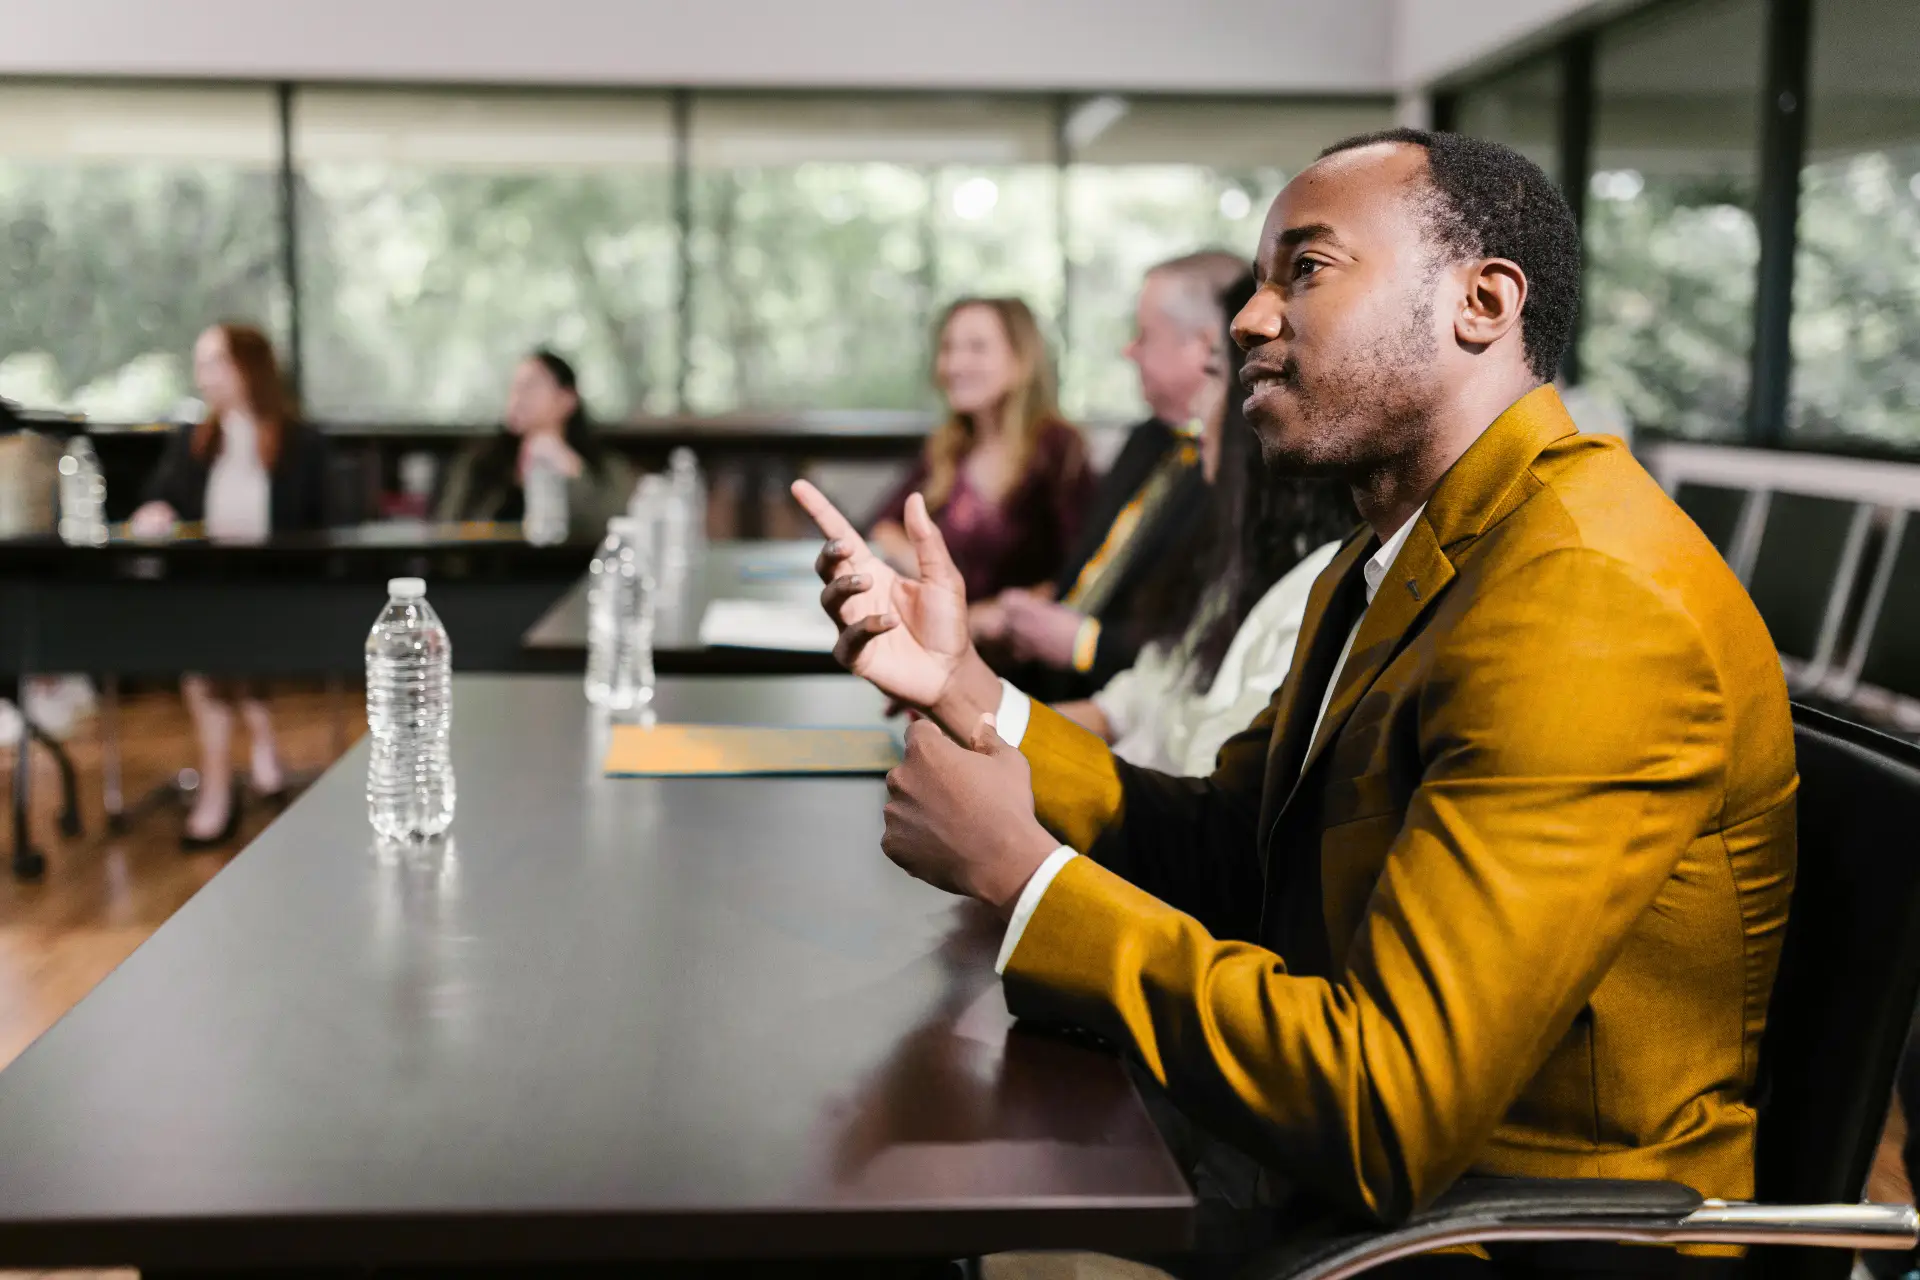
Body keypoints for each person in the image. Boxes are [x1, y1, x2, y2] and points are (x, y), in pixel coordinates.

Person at [796, 129, 1795, 1277]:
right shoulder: (1395, 556)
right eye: (1259, 281)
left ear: (1482, 300)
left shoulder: (1585, 596)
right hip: (1361, 1186)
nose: (1249, 319)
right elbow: (1236, 846)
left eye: (1304, 270)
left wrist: (1029, 877)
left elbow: (1390, 1104)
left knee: (921, 1191)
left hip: (1508, 1236)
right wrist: (966, 686)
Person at [1052, 271, 1355, 777]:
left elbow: (1201, 798)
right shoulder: (1234, 555)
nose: (1197, 409)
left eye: (1214, 376)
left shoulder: (1312, 590)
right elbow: (1128, 704)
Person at [975, 252, 1245, 698]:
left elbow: (1204, 645)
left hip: (1126, 711)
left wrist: (1083, 644)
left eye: (1143, 336)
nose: (1128, 350)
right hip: (1042, 680)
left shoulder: (1242, 474)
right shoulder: (1148, 438)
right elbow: (1085, 577)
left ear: (1204, 345)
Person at [130, 324, 335, 848]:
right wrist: (156, 511)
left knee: (217, 644)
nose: (205, 376)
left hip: (283, 595)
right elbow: (161, 500)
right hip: (211, 593)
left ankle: (229, 784)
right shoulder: (192, 443)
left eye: (215, 362)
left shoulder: (301, 442)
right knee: (209, 642)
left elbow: (328, 524)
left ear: (249, 367)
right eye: (200, 364)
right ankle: (228, 776)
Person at [868, 298, 1092, 602]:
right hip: (947, 631)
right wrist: (933, 577)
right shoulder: (950, 446)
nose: (953, 365)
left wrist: (999, 616)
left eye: (977, 348)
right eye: (948, 349)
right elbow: (884, 527)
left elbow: (1082, 571)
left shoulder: (1058, 448)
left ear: (1020, 361)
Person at [436, 349, 633, 540]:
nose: (517, 397)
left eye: (530, 386)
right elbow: (449, 528)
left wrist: (571, 468)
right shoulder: (481, 462)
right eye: (514, 387)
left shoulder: (601, 465)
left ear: (567, 398)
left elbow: (617, 527)